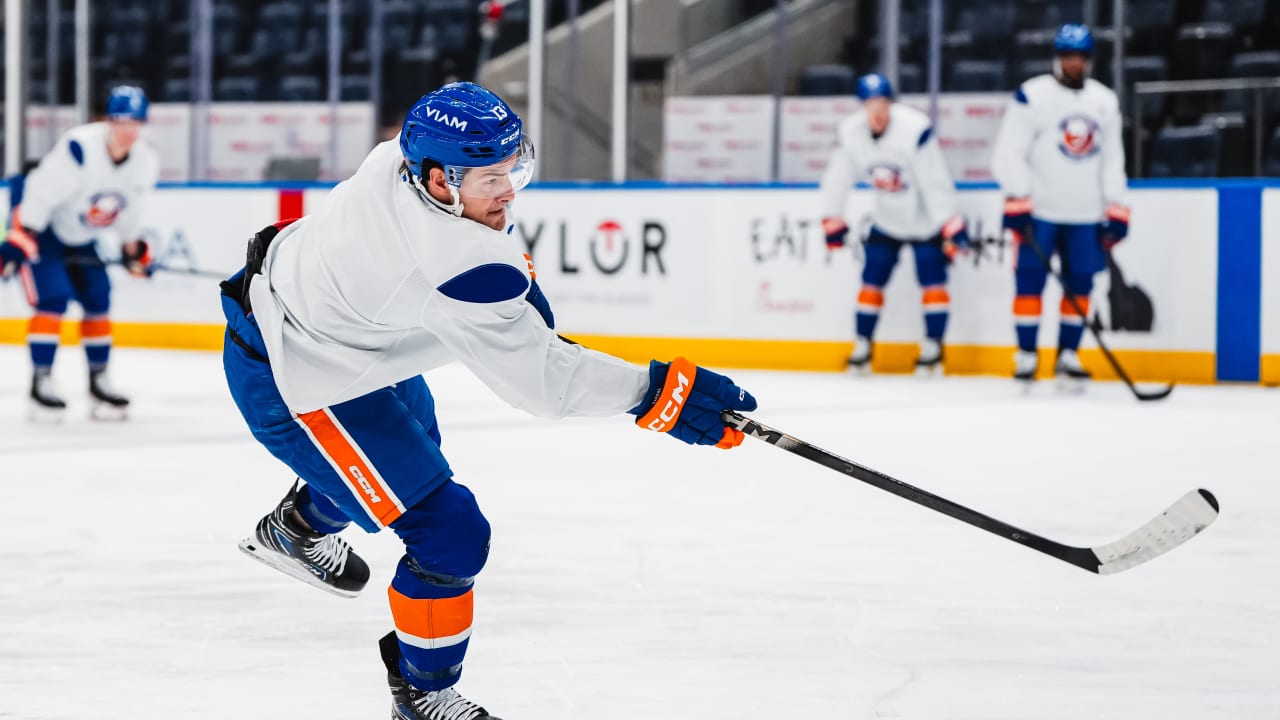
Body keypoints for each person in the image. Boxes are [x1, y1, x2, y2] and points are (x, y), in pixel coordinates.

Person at [220, 81, 758, 720]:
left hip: (329, 329)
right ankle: (422, 692)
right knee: (447, 530)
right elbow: (546, 383)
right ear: (440, 181)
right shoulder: (453, 262)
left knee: (406, 470)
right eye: (489, 176)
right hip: (295, 371)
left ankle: (298, 526)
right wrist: (659, 393)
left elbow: (505, 294)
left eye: (515, 167)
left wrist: (523, 313)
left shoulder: (402, 159)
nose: (508, 189)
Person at [0, 85, 158, 419]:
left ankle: (99, 380)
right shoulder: (80, 147)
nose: (128, 130)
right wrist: (21, 237)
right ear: (108, 120)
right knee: (53, 298)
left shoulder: (145, 161)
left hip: (82, 234)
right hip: (42, 228)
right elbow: (39, 194)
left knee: (98, 297)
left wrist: (133, 252)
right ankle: (41, 382)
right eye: (121, 121)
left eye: (135, 122)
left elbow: (130, 214)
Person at [991, 23, 1130, 384]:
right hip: (1040, 212)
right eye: (1067, 56)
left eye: (1079, 57)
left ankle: (1068, 355)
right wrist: (1018, 197)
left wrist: (1116, 206)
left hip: (1085, 214)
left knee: (1080, 285)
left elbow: (1113, 159)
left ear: (1088, 60)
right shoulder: (1032, 96)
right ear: (1057, 58)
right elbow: (1009, 152)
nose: (1073, 63)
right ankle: (1026, 355)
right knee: (1029, 284)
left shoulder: (1104, 101)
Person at [819, 72, 971, 375]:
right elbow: (838, 176)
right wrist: (832, 216)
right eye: (870, 105)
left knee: (933, 282)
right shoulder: (851, 132)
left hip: (925, 221)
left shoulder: (914, 129)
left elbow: (934, 178)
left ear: (890, 104)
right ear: (862, 106)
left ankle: (933, 346)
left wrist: (948, 222)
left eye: (882, 104)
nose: (876, 112)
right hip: (887, 219)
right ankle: (863, 344)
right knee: (871, 280)